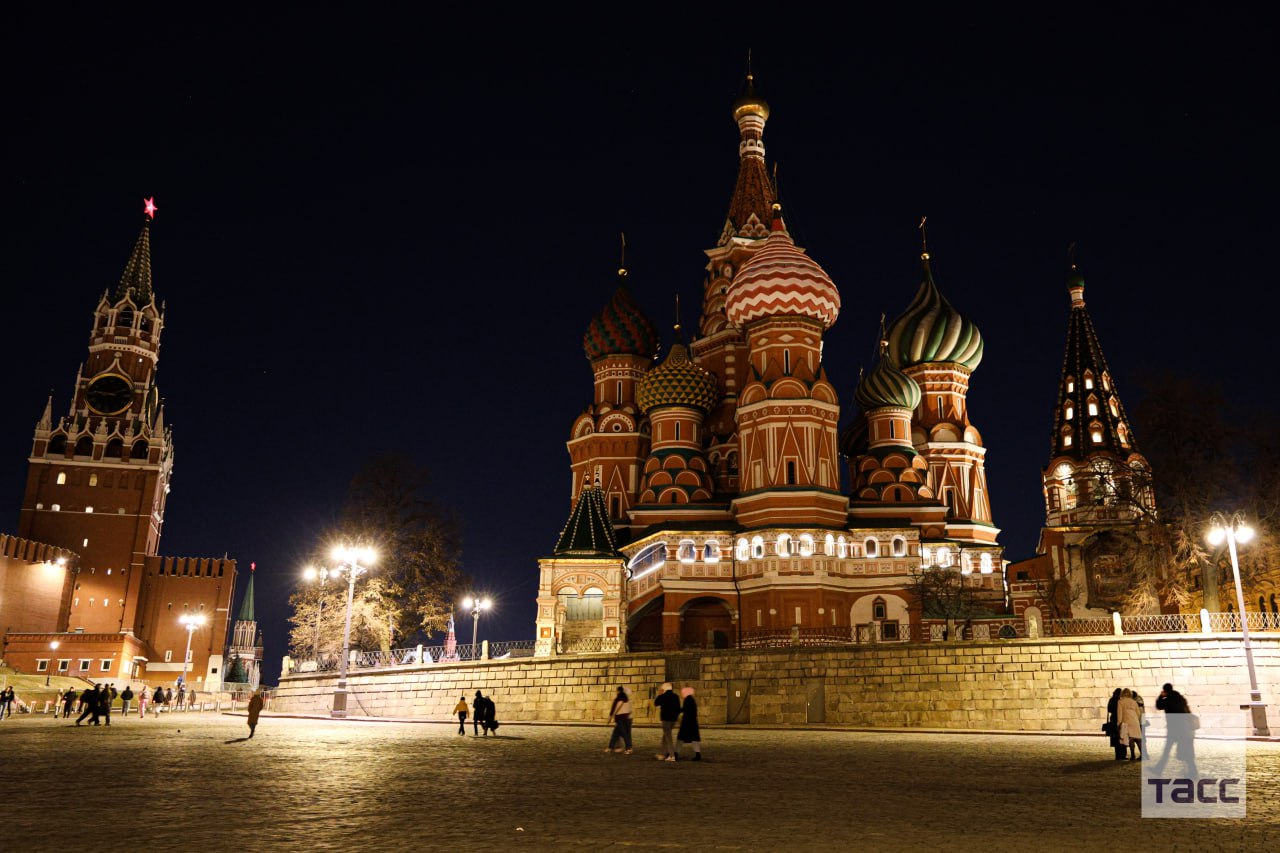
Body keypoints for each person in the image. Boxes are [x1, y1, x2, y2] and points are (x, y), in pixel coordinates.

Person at [1152, 682, 1197, 776]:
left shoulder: (1167, 700)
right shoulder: (1180, 698)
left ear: (1165, 691)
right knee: (1186, 749)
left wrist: (1161, 696)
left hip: (1174, 729)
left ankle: (1158, 769)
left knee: (1167, 750)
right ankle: (1193, 772)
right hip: (1184, 728)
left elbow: (1158, 706)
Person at [654, 682, 681, 761]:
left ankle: (672, 756)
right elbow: (678, 708)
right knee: (665, 736)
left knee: (668, 737)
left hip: (666, 720)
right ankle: (662, 754)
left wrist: (659, 694)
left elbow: (656, 703)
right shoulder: (676, 696)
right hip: (673, 720)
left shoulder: (663, 696)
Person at [1116, 688, 1142, 761]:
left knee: (1131, 738)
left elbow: (1119, 714)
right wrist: (1135, 719)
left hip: (1127, 721)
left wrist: (1119, 723)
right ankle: (1142, 754)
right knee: (1138, 738)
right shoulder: (1134, 702)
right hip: (1135, 721)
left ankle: (1133, 755)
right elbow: (1138, 713)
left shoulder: (1120, 702)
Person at [676, 686, 701, 761]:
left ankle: (676, 753)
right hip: (692, 723)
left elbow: (684, 709)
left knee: (680, 738)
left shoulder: (687, 700)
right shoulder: (691, 700)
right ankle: (697, 754)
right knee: (694, 739)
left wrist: (677, 711)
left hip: (687, 723)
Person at [606, 686, 633, 754]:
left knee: (624, 734)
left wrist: (610, 718)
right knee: (615, 734)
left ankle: (628, 748)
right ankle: (610, 747)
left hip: (620, 719)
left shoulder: (618, 699)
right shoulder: (627, 699)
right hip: (626, 718)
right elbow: (629, 710)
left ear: (618, 691)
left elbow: (614, 709)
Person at [1105, 688, 1124, 760]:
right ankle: (1122, 755)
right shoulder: (1120, 700)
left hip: (1113, 719)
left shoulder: (1111, 699)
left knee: (1116, 738)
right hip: (1119, 719)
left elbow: (1109, 709)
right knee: (1121, 736)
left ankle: (1118, 755)